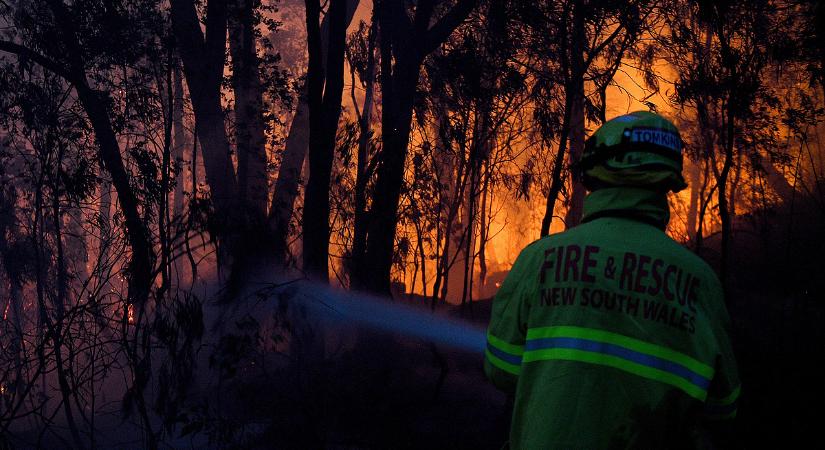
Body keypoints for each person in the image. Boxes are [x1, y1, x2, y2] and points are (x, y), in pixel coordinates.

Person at [484, 111, 740, 449]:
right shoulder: (700, 282)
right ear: (667, 182)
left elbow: (501, 369)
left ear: (594, 174)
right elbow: (723, 408)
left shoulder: (538, 260)